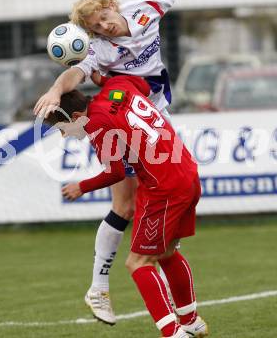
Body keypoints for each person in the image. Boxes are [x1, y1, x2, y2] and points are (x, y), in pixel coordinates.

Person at [34, 0, 235, 325]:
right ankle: (99, 287)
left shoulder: (144, 8)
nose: (105, 27)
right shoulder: (97, 49)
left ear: (113, 5)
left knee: (159, 223)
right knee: (126, 205)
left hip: (156, 115)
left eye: (105, 18)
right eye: (96, 27)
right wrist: (56, 91)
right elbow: (75, 74)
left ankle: (187, 318)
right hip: (131, 116)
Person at [45, 74, 207, 338]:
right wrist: (103, 77)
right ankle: (191, 322)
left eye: (62, 128)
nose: (64, 136)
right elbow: (142, 85)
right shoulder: (116, 86)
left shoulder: (97, 125)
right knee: (166, 252)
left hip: (162, 187)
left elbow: (116, 173)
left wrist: (81, 186)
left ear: (76, 117)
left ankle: (172, 333)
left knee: (138, 263)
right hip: (187, 173)